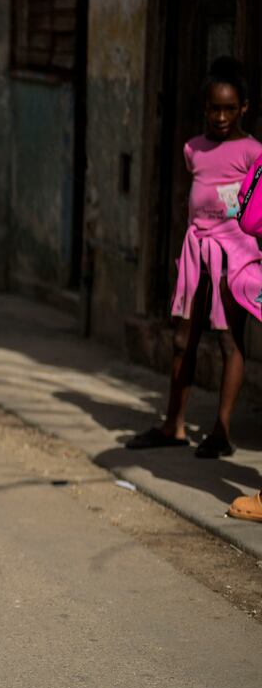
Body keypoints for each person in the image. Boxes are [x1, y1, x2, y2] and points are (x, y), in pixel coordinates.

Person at [129, 58, 262, 460]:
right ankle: (174, 423)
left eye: (228, 108)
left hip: (235, 254)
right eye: (213, 108)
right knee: (183, 339)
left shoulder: (252, 151)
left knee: (227, 339)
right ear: (204, 107)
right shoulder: (194, 149)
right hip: (196, 251)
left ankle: (221, 429)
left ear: (243, 108)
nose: (220, 117)